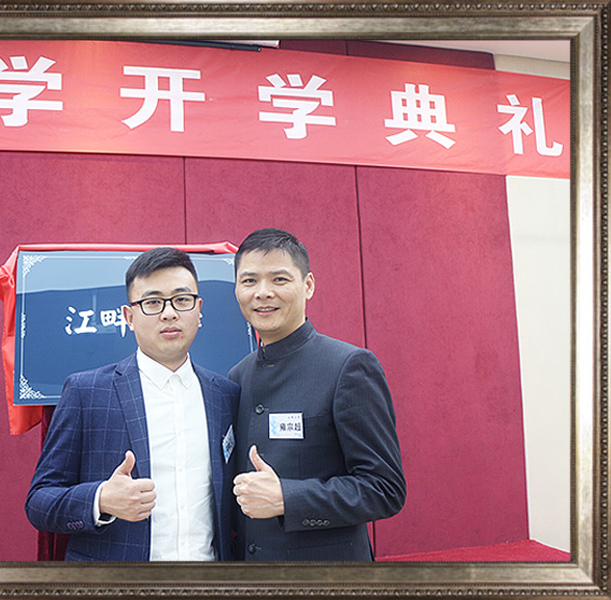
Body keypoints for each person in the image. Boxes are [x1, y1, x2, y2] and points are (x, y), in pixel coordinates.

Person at [26, 247, 240, 561]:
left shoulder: (225, 395)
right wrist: (100, 499)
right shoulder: (86, 392)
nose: (169, 313)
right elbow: (39, 501)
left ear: (199, 310)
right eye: (152, 303)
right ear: (129, 316)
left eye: (182, 300)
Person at [229, 228, 405, 561]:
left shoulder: (349, 366)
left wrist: (287, 498)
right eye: (249, 281)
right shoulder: (237, 377)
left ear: (308, 285)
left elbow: (385, 489)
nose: (262, 293)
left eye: (279, 279)